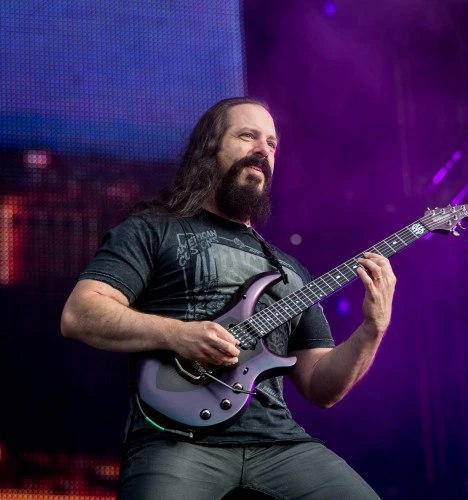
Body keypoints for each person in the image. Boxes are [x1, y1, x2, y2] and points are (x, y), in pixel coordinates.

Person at [61, 97, 396, 499]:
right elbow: (81, 313)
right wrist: (179, 335)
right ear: (209, 148)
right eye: (247, 136)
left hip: (281, 444)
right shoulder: (153, 229)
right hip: (176, 440)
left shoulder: (290, 271)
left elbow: (321, 386)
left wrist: (372, 330)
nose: (264, 150)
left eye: (272, 143)